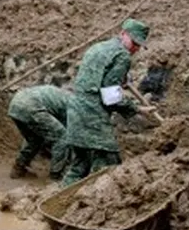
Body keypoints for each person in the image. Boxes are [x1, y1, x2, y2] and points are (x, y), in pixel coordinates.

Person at [61, 18, 155, 186]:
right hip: (92, 115)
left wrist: (120, 78)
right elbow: (111, 97)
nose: (135, 48)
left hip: (75, 110)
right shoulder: (123, 56)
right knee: (108, 164)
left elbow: (96, 77)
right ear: (123, 33)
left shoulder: (98, 47)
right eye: (134, 42)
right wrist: (137, 109)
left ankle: (61, 198)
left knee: (80, 165)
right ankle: (96, 199)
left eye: (139, 45)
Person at [7, 85, 74, 180]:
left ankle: (18, 168)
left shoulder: (57, 93)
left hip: (15, 105)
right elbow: (68, 133)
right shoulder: (72, 103)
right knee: (61, 137)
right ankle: (56, 176)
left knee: (34, 139)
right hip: (32, 107)